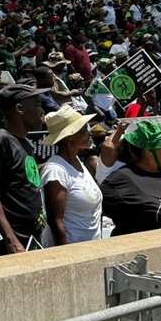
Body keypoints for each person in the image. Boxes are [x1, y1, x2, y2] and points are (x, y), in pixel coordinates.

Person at [0, 85, 47, 256]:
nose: (42, 110)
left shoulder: (26, 143)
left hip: (32, 239)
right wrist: (10, 239)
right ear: (19, 109)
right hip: (11, 245)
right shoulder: (0, 139)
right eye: (37, 104)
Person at [40, 105, 103, 245]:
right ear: (70, 137)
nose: (89, 133)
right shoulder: (55, 171)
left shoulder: (77, 162)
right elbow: (56, 222)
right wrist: (68, 258)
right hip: (73, 251)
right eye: (84, 130)